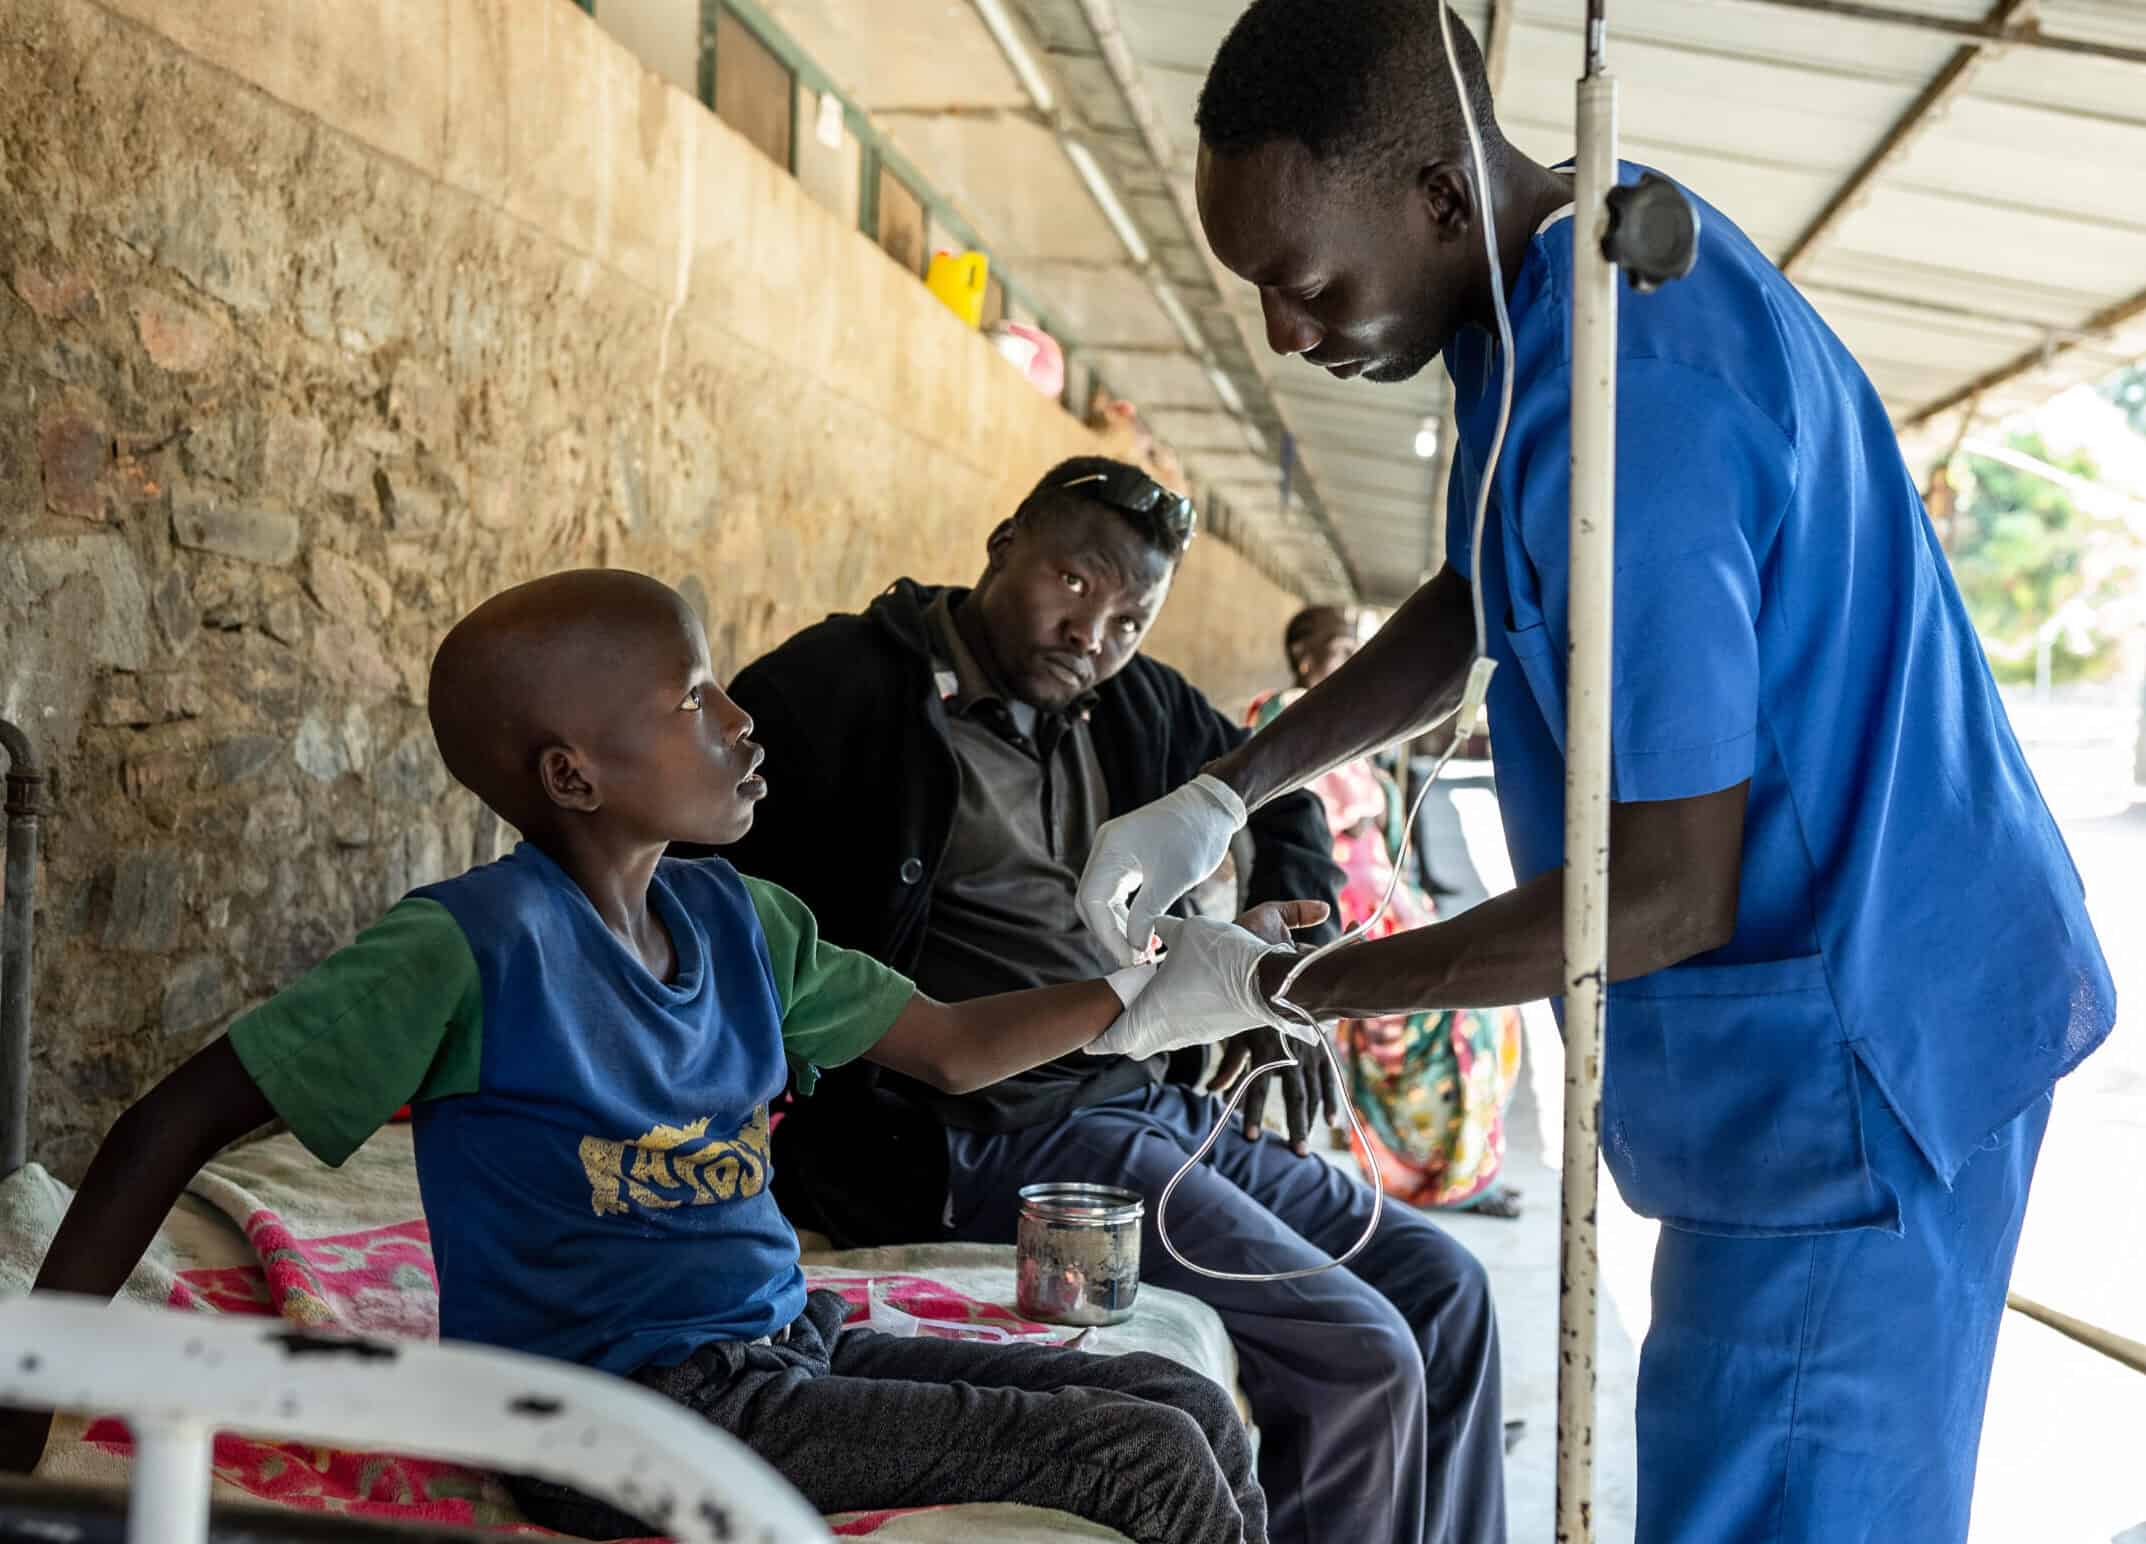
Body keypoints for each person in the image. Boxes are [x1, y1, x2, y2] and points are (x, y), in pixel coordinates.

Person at [1072, 5, 2117, 1543]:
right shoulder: (1537, 285)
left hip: (1870, 1044)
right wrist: (1238, 784)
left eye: (1298, 285)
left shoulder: (1646, 397)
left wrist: (1286, 991)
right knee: (1722, 1471)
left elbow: (1665, 892)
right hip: (1789, 1057)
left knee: (1788, 1503)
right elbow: (1496, 576)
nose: (1284, 337)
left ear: (1435, 196)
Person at [0, 569, 1332, 1544]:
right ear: (574, 775)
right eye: (694, 700)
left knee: (1175, 1393)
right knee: (1142, 1452)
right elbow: (165, 1131)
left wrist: (1157, 989)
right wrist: (28, 1401)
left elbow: (954, 1048)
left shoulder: (736, 919)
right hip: (606, 1415)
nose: (744, 722)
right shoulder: (466, 951)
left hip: (768, 1344)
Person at [721, 457, 1508, 1544]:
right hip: (989, 1126)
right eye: (1076, 581)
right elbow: (709, 877)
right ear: (1003, 544)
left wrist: (1288, 908)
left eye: (1132, 613)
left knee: (1447, 1286)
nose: (1095, 630)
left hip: (1148, 1091)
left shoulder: (1134, 705)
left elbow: (1283, 797)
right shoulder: (837, 691)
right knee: (1358, 1354)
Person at [1248, 606, 1523, 1217]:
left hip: (1387, 908)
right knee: (1458, 1018)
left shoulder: (1356, 727)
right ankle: (1435, 1172)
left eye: (1357, 649)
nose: (1351, 660)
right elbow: (1298, 832)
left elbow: (1388, 830)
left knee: (1495, 1006)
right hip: (1335, 914)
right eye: (1338, 648)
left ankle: (1457, 1169)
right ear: (1303, 656)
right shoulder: (1283, 714)